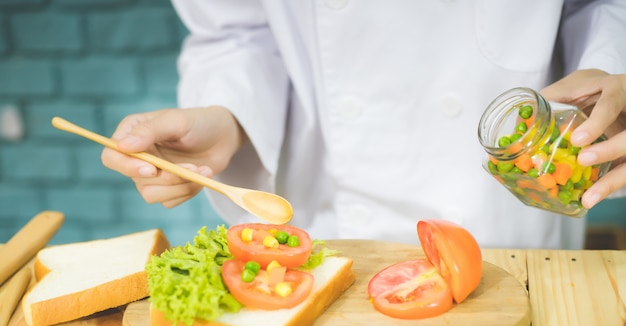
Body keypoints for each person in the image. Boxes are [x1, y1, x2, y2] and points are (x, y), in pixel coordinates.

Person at [102, 1, 626, 249]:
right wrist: (226, 116)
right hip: (331, 218)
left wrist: (614, 66)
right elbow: (236, 31)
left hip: (506, 229)